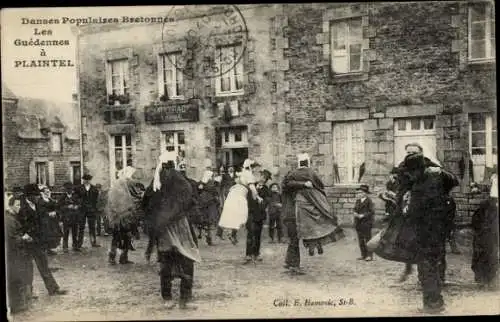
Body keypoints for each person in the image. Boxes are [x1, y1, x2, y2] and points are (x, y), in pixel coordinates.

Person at [402, 153, 459, 313]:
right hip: (439, 232)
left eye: (411, 171)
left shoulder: (420, 187)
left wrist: (405, 211)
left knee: (427, 270)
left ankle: (433, 305)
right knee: (431, 269)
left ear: (418, 170)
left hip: (427, 235)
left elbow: (413, 214)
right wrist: (440, 171)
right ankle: (435, 303)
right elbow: (454, 180)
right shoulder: (437, 176)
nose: (409, 175)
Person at [146, 151, 201, 310]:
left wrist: (156, 222)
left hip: (164, 230)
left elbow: (147, 204)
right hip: (179, 227)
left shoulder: (156, 181)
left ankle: (167, 298)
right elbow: (189, 199)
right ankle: (185, 300)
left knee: (166, 263)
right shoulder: (178, 179)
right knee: (187, 261)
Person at [282, 153, 343, 275]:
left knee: (293, 238)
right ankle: (294, 265)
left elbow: (285, 184)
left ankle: (290, 262)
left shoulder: (291, 175)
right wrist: (305, 184)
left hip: (290, 213)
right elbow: (320, 186)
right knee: (299, 235)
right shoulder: (311, 174)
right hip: (295, 214)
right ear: (308, 162)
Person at [17, 184, 67, 296]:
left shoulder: (38, 206)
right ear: (29, 196)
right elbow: (19, 225)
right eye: (35, 195)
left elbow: (43, 221)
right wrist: (25, 235)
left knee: (44, 266)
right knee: (27, 268)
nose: (38, 197)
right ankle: (28, 292)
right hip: (27, 243)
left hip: (38, 242)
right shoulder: (22, 208)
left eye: (38, 195)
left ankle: (53, 289)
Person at [6, 189, 35, 313]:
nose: (19, 207)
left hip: (19, 252)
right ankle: (16, 305)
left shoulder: (13, 217)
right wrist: (23, 238)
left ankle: (22, 300)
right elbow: (11, 239)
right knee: (16, 278)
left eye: (19, 205)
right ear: (11, 206)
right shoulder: (9, 220)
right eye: (17, 205)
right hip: (15, 254)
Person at [106, 166, 143, 265]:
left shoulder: (119, 186)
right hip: (121, 217)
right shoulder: (121, 186)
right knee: (120, 237)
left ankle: (120, 258)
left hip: (122, 217)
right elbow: (133, 196)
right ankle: (115, 257)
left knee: (123, 237)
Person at [471, 170, 499, 290]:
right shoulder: (485, 205)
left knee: (493, 256)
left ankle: (491, 279)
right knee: (482, 255)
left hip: (494, 234)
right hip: (485, 234)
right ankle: (482, 279)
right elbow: (476, 220)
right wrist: (481, 230)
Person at [244, 168, 271, 264]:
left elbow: (266, 202)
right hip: (250, 213)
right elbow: (246, 198)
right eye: (262, 176)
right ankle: (248, 254)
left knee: (258, 235)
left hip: (259, 215)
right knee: (250, 233)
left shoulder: (266, 189)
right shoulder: (252, 186)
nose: (263, 179)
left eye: (265, 178)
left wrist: (261, 201)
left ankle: (256, 253)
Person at [37, 185, 62, 256]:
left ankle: (49, 249)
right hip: (44, 220)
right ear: (42, 193)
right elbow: (40, 211)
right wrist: (48, 214)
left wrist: (55, 212)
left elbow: (57, 207)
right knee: (45, 234)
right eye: (46, 192)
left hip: (52, 221)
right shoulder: (40, 201)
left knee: (52, 234)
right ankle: (44, 249)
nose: (48, 193)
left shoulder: (51, 200)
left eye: (48, 192)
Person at [77, 174, 101, 248]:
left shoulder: (94, 189)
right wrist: (79, 204)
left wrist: (94, 208)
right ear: (83, 180)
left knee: (92, 227)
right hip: (82, 210)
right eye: (85, 179)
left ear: (90, 180)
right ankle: (79, 243)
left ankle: (93, 242)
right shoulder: (79, 188)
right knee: (81, 227)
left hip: (91, 210)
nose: (86, 181)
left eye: (88, 179)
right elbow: (76, 198)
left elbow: (96, 200)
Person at [197, 170, 220, 246]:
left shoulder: (202, 183)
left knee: (205, 221)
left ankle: (207, 237)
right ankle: (209, 238)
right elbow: (215, 191)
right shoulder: (211, 183)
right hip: (210, 203)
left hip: (203, 202)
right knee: (210, 221)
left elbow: (199, 190)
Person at [354, 184, 375, 261]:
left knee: (368, 239)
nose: (358, 194)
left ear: (365, 193)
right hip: (358, 223)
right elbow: (355, 209)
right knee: (361, 240)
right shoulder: (358, 201)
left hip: (366, 223)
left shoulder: (369, 201)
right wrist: (355, 213)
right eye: (358, 193)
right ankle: (363, 254)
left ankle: (369, 255)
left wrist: (362, 215)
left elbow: (371, 212)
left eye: (360, 193)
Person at [57, 182, 81, 253]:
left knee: (75, 232)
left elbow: (80, 204)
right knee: (66, 232)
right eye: (68, 189)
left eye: (70, 189)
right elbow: (59, 207)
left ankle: (75, 246)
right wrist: (67, 207)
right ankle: (65, 247)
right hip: (66, 217)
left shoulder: (75, 196)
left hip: (74, 217)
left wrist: (77, 206)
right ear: (65, 190)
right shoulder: (63, 197)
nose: (69, 190)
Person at [216, 165, 237, 240]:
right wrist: (221, 198)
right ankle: (219, 233)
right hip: (226, 197)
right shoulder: (225, 176)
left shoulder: (236, 176)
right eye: (229, 168)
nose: (231, 168)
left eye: (232, 167)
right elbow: (221, 187)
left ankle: (233, 235)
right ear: (227, 169)